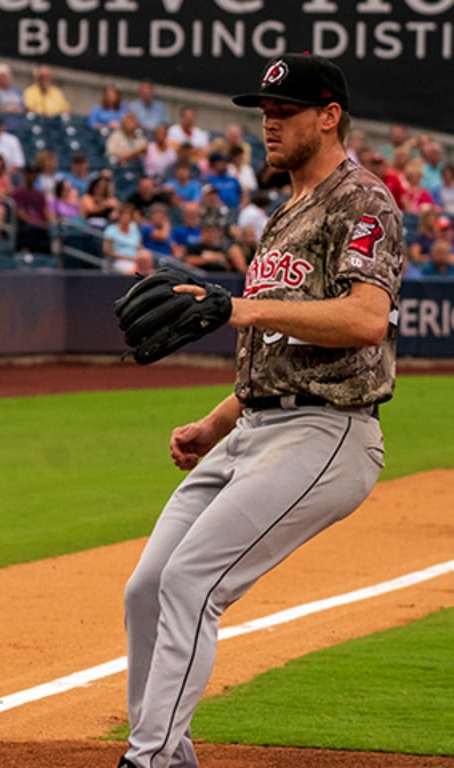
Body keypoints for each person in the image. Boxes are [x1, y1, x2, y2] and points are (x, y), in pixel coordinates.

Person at [119, 53, 401, 768]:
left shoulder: (362, 200)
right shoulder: (285, 212)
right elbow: (277, 342)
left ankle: (146, 760)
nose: (268, 125)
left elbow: (367, 319)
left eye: (284, 113)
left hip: (327, 430)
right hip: (251, 429)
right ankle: (168, 753)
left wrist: (237, 305)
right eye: (265, 114)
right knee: (148, 587)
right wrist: (215, 423)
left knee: (192, 582)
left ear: (329, 115)